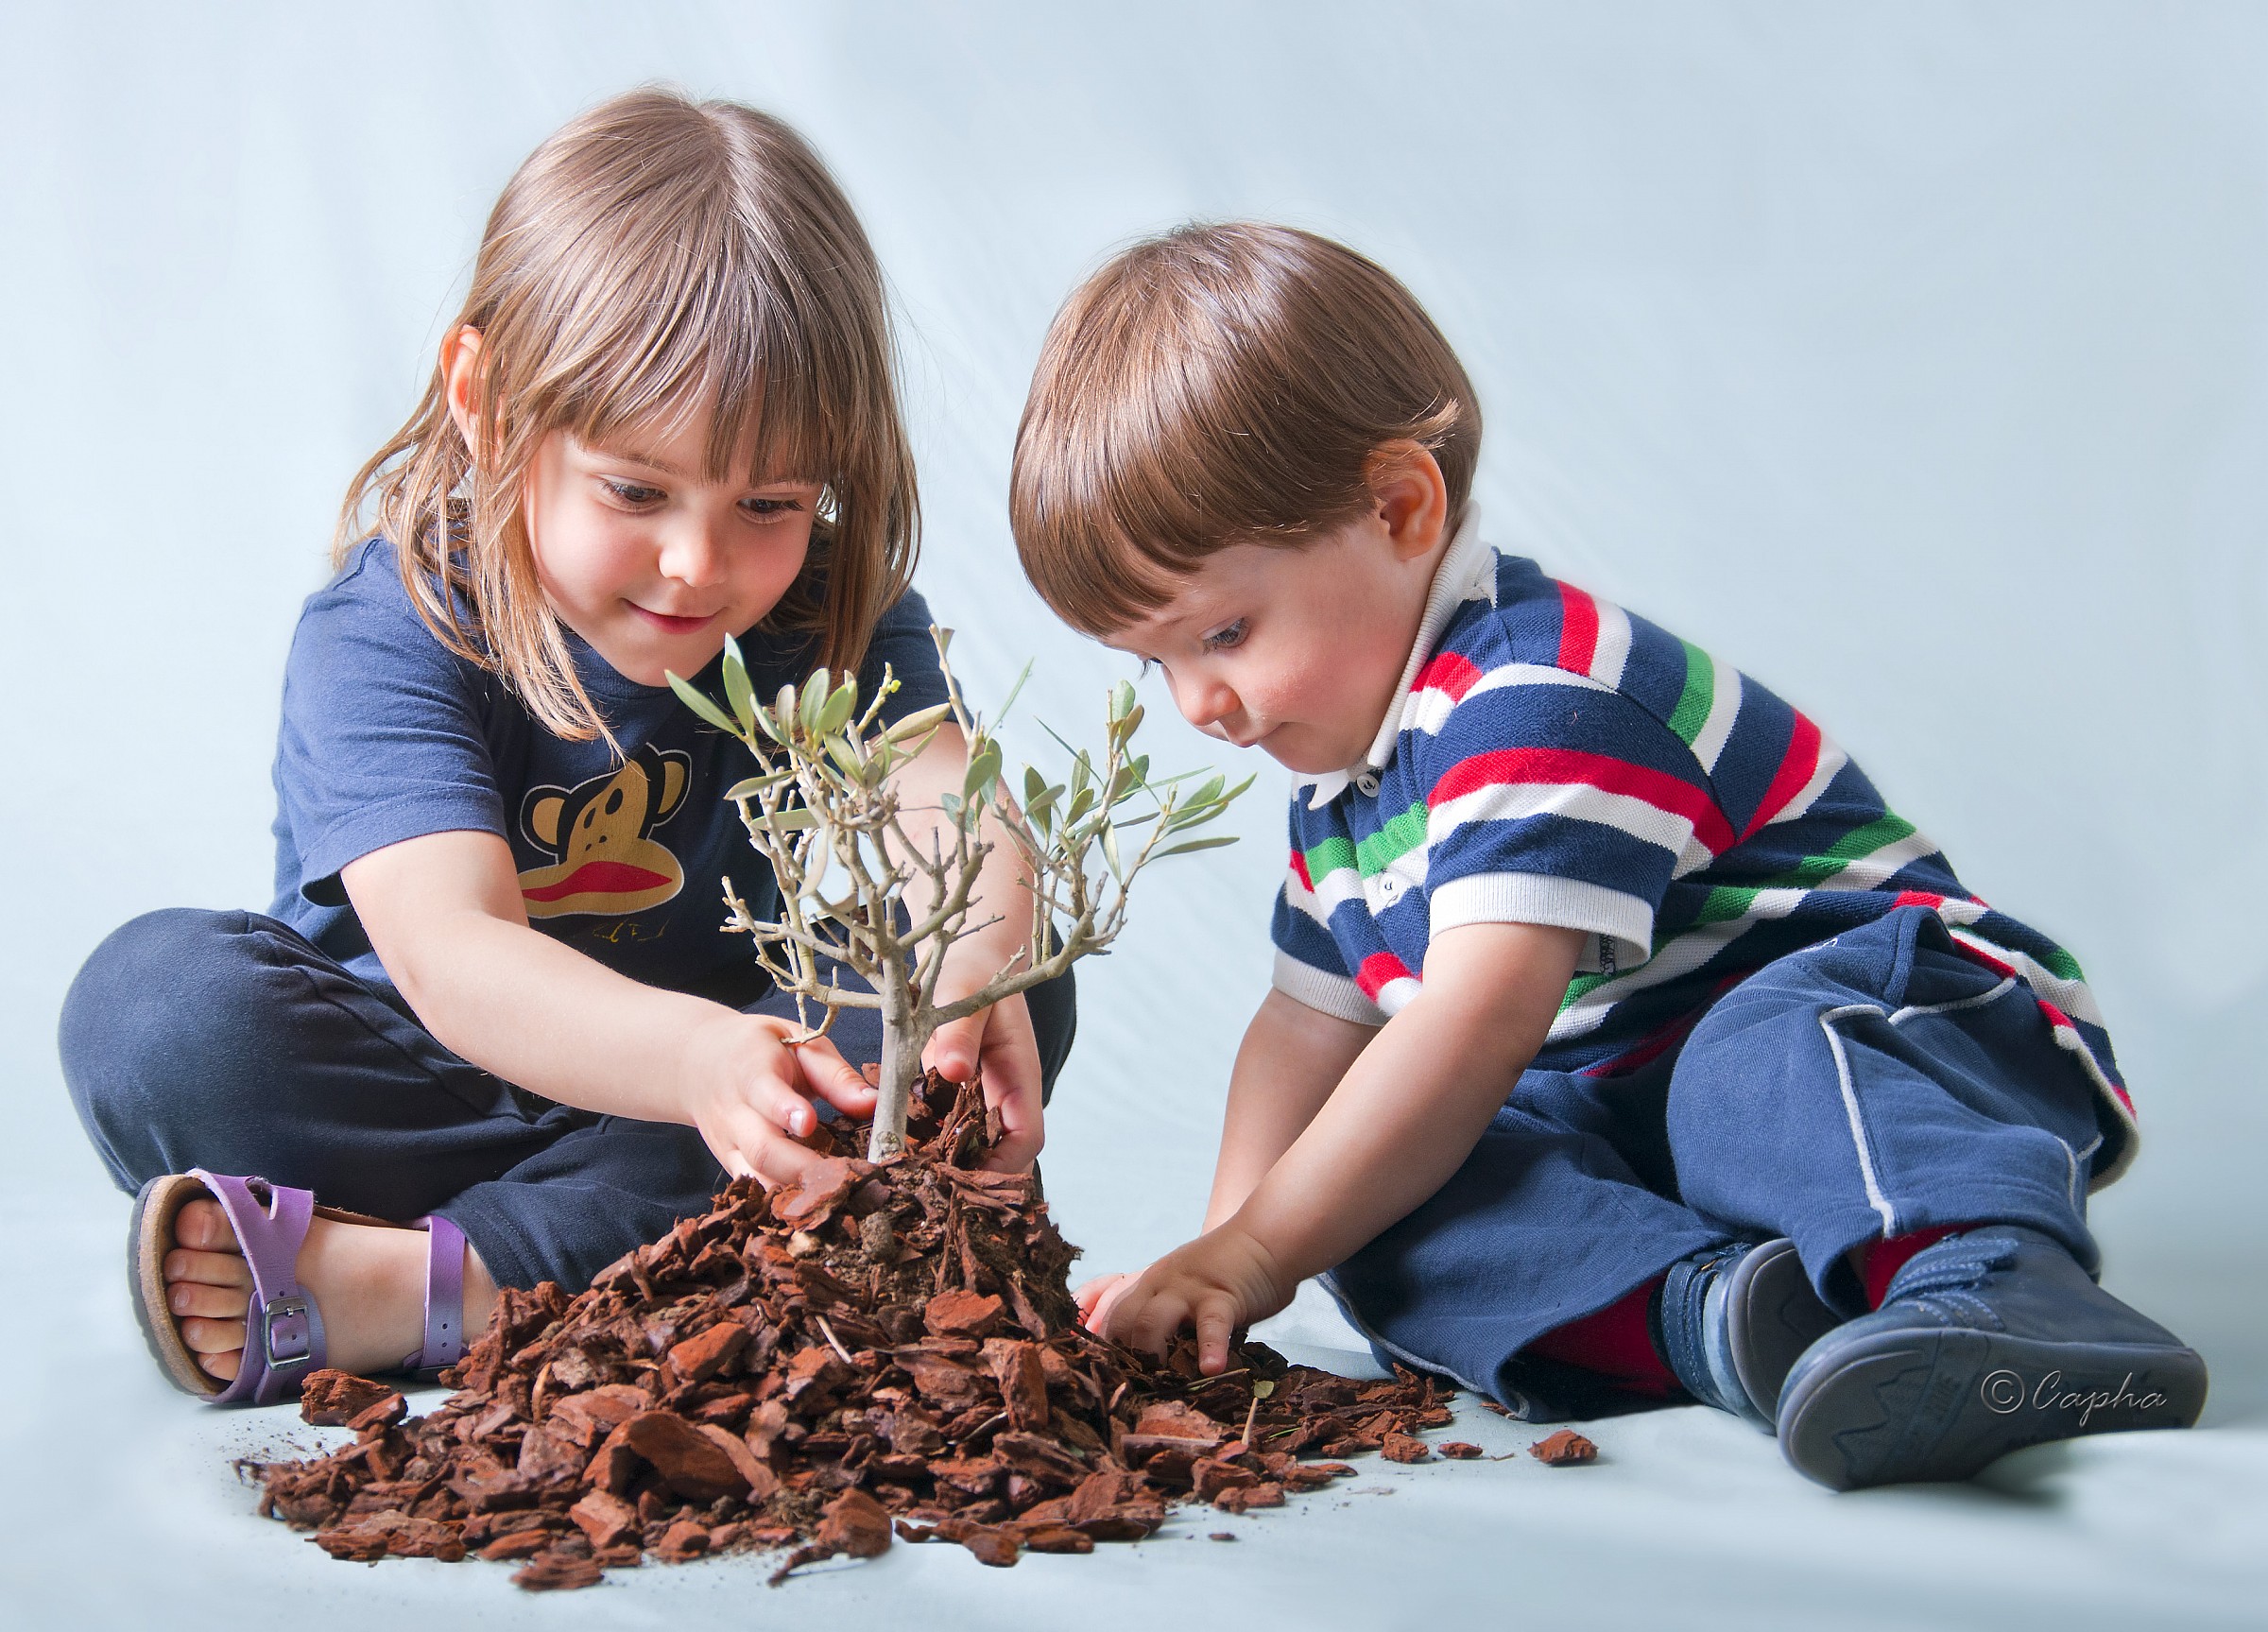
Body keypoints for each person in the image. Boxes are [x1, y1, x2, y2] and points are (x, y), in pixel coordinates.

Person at [1006, 221, 2202, 1490]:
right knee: (1393, 1215)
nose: (1199, 703)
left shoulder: (1541, 691)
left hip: (1916, 1028)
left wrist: (1256, 1249)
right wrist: (1230, 1257)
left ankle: (1993, 1285)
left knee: (1750, 1061)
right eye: (1159, 661)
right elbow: (1304, 1036)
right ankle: (1736, 1315)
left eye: (1227, 632)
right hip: (1658, 1129)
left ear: (1401, 508)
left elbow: (1470, 1023)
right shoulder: (1343, 795)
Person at [61, 89, 1073, 1407]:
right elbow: (452, 953)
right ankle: (640, 1254)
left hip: (701, 1109)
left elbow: (947, 795)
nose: (700, 564)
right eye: (636, 490)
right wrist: (700, 1066)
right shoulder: (394, 625)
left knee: (1001, 993)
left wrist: (977, 964)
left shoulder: (822, 610)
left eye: (768, 503)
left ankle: (431, 1286)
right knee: (152, 1013)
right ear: (484, 402)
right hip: (424, 1087)